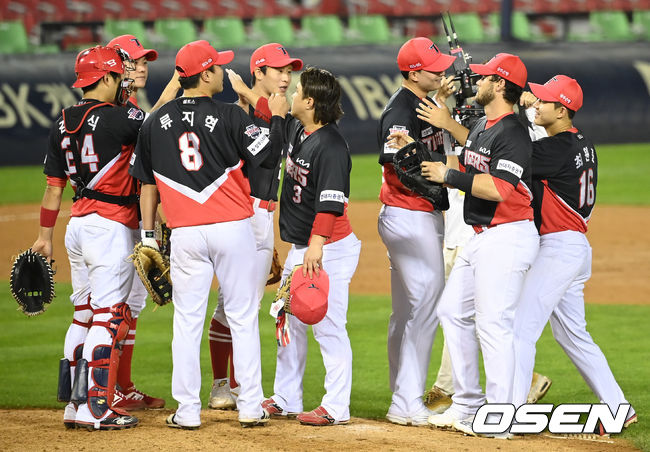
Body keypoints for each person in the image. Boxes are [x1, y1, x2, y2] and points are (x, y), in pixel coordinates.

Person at [128, 40, 287, 429]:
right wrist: (279, 118)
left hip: (185, 233)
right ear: (205, 74)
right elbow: (269, 156)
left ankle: (187, 411)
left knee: (187, 321)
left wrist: (147, 235)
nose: (221, 73)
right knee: (243, 317)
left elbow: (146, 183)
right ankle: (250, 406)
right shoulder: (229, 115)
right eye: (217, 67)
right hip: (233, 229)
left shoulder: (154, 122)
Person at [403, 53, 540, 438]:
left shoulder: (513, 132)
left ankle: (501, 415)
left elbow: (498, 188)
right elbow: (473, 148)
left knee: (494, 325)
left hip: (508, 236)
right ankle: (467, 403)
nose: (475, 82)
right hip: (482, 237)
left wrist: (448, 175)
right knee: (451, 312)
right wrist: (446, 124)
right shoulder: (484, 124)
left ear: (500, 84)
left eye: (483, 78)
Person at [512, 75, 637, 432]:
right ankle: (618, 407)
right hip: (574, 248)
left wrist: (514, 113)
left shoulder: (557, 149)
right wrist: (528, 112)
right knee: (572, 335)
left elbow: (512, 157)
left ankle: (511, 412)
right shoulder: (579, 142)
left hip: (558, 249)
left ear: (562, 111)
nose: (537, 103)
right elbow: (539, 147)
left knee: (519, 330)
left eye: (544, 101)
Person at [32, 45, 144, 430]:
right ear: (107, 77)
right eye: (118, 77)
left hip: (76, 227)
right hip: (110, 226)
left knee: (83, 314)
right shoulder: (120, 118)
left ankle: (74, 404)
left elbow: (53, 188)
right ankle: (97, 409)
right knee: (109, 315)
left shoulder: (61, 122)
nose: (122, 83)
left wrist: (44, 237)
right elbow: (156, 128)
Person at [261, 67, 361, 426]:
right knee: (287, 319)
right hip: (304, 247)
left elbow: (331, 203)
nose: (292, 92)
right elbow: (273, 115)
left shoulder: (331, 146)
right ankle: (286, 397)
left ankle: (336, 406)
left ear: (310, 102)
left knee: (328, 325)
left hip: (328, 247)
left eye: (298, 90)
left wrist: (316, 246)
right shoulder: (297, 128)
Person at [206, 42, 303, 411]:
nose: (286, 77)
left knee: (242, 305)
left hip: (263, 217)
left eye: (289, 71)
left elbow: (280, 130)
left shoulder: (278, 114)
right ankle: (226, 385)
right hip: (240, 214)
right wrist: (247, 98)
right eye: (278, 70)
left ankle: (232, 386)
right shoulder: (236, 115)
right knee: (232, 306)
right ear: (258, 72)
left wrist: (251, 95)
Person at [377, 37, 456, 426]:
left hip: (408, 216)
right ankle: (405, 401)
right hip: (411, 216)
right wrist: (437, 174)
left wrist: (443, 103)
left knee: (406, 311)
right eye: (434, 68)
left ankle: (401, 392)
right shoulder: (400, 110)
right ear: (413, 73)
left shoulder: (424, 103)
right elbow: (397, 165)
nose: (441, 72)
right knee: (427, 309)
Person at [105, 33, 166, 411]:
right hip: (113, 218)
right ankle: (104, 387)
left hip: (132, 216)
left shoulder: (131, 104)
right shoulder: (115, 108)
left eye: (145, 62)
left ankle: (122, 385)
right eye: (135, 61)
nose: (142, 67)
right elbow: (150, 130)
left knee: (134, 303)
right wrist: (176, 85)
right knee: (112, 307)